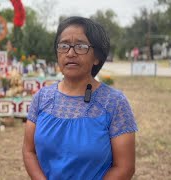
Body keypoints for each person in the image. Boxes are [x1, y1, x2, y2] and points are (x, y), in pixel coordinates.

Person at [22, 16, 138, 180]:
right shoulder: (42, 98)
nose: (70, 53)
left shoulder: (114, 103)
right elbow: (29, 151)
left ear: (97, 56)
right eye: (64, 46)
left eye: (80, 46)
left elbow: (125, 167)